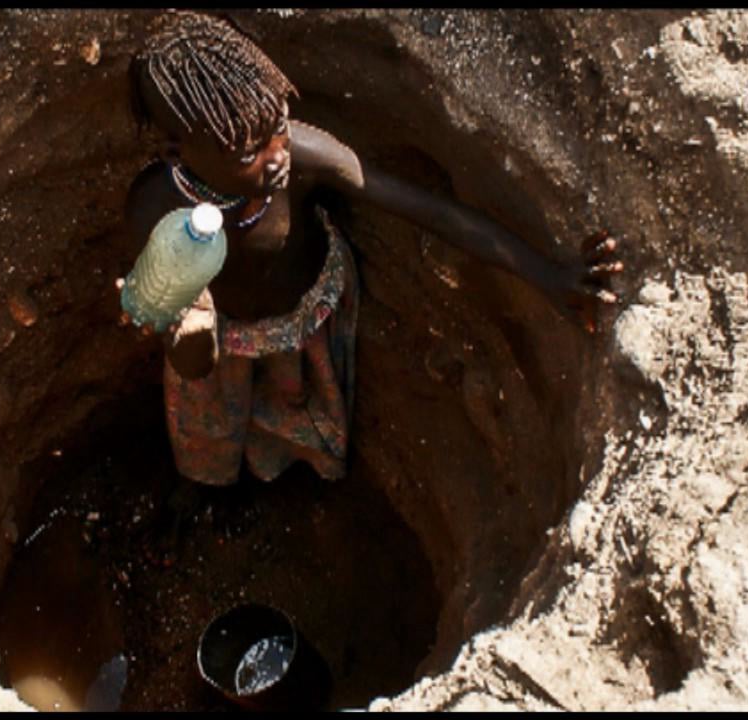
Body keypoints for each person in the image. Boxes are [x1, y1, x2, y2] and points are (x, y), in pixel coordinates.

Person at [115, 11, 621, 534]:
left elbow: (431, 210)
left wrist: (549, 275)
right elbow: (195, 358)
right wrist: (188, 337)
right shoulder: (154, 209)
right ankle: (203, 485)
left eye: (278, 127)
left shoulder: (303, 157)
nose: (275, 157)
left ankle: (306, 478)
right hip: (220, 339)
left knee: (305, 407)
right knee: (208, 421)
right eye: (248, 149)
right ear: (176, 149)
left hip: (306, 319)